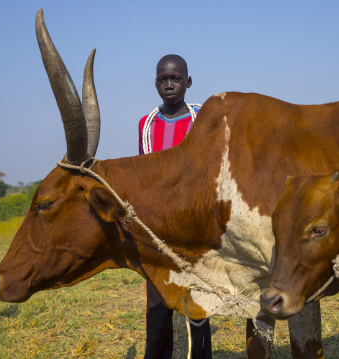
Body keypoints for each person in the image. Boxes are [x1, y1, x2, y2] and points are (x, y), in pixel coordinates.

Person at [138, 54, 212, 359]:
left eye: (176, 79)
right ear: (156, 83)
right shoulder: (146, 125)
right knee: (157, 308)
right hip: (157, 231)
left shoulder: (202, 120)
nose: (169, 85)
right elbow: (143, 176)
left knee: (197, 306)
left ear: (188, 82)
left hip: (194, 228)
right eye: (163, 79)